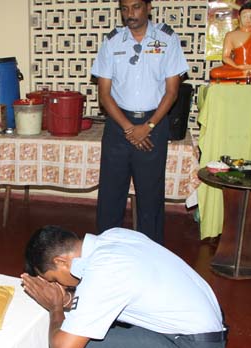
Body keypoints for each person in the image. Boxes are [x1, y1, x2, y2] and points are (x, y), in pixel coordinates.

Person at [21, 225, 226, 348]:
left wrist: (55, 308)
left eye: (54, 279)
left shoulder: (102, 272)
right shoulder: (114, 236)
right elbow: (101, 296)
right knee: (100, 326)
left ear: (60, 261)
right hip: (201, 331)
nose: (59, 286)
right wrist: (66, 300)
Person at [91, 0, 189, 245]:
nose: (129, 14)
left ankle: (150, 250)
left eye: (135, 7)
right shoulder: (112, 42)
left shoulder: (167, 39)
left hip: (154, 123)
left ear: (149, 7)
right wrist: (129, 128)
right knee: (111, 194)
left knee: (150, 195)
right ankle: (107, 249)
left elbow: (172, 92)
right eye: (124, 8)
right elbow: (104, 94)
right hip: (118, 125)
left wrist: (148, 126)